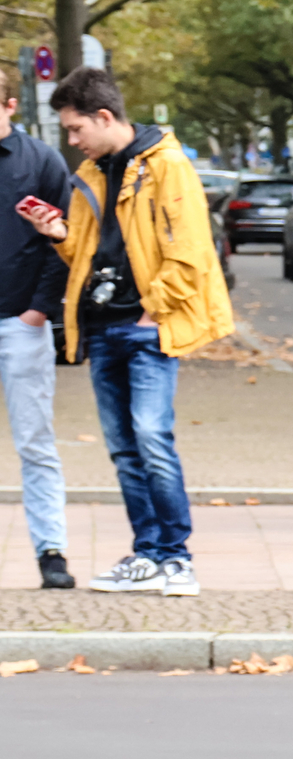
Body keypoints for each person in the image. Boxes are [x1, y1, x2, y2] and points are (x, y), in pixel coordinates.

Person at [16, 65, 233, 596]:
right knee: (125, 448)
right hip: (103, 325)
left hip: (146, 326)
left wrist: (152, 311)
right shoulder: (91, 173)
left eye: (75, 129)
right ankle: (148, 552)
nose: (72, 141)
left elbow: (189, 250)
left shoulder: (167, 165)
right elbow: (89, 251)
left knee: (153, 439)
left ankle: (176, 557)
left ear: (104, 116)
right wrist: (58, 232)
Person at [0, 65, 74, 589]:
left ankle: (51, 550)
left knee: (34, 440)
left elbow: (66, 239)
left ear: (9, 105)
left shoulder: (41, 160)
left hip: (20, 321)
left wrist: (40, 308)